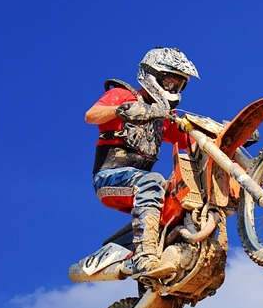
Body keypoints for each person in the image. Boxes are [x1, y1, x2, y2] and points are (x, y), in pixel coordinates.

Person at [84, 48, 199, 279]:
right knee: (154, 180)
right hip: (109, 177)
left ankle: (167, 255)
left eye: (178, 85)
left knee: (182, 194)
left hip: (141, 187)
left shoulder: (163, 119)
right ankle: (144, 258)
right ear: (152, 74)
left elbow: (193, 143)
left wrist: (230, 139)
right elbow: (91, 115)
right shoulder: (123, 95)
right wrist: (122, 110)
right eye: (169, 82)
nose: (173, 90)